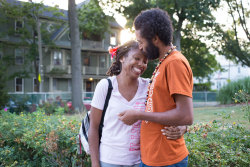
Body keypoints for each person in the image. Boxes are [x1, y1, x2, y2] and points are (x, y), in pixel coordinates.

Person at [88, 40, 187, 167]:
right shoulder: (106, 86)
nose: (141, 64)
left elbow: (175, 110)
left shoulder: (149, 86)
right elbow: (93, 128)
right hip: (109, 160)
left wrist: (183, 127)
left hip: (139, 161)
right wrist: (95, 164)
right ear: (122, 58)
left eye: (145, 61)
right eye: (137, 58)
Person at [118, 9, 194, 167]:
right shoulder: (164, 63)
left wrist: (139, 115)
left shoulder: (175, 63)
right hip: (152, 158)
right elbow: (166, 107)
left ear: (155, 38)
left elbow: (186, 115)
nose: (139, 47)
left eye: (141, 41)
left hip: (167, 159)